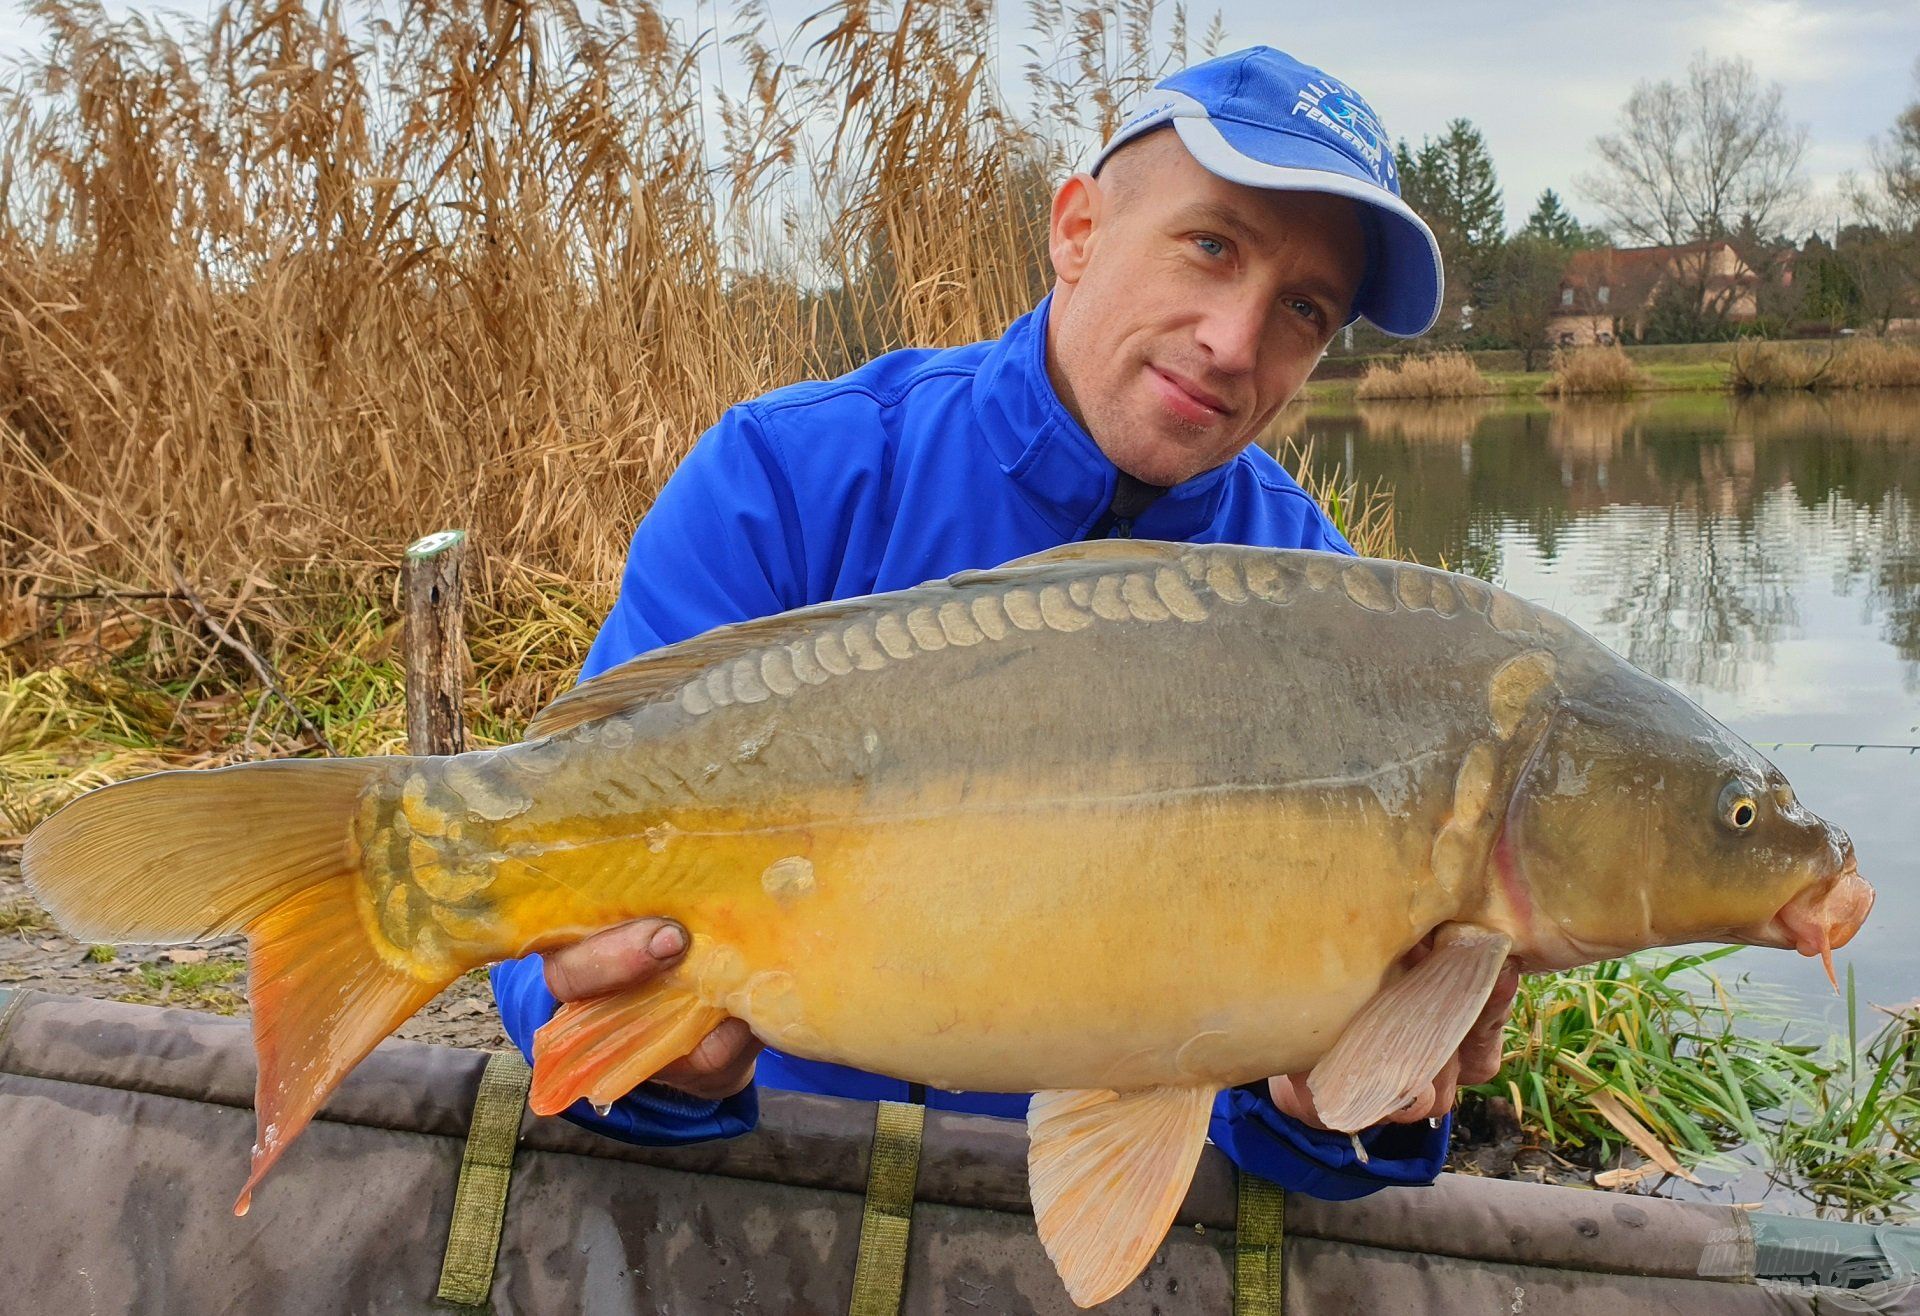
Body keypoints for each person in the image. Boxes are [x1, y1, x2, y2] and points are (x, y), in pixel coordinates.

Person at [492, 45, 1520, 1200]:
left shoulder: (1334, 619)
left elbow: (1285, 1124)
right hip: (771, 1193)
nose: (1236, 341)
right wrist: (634, 1051)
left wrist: (1332, 1112)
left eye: (1303, 307)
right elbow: (541, 873)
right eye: (1212, 245)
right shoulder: (790, 475)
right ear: (1077, 228)